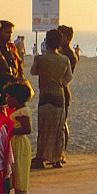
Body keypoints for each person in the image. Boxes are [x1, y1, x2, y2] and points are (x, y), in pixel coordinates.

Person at [31, 29, 74, 169]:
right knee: (58, 129)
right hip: (59, 96)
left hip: (45, 96)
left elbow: (33, 71)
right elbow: (68, 78)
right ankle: (57, 159)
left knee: (43, 129)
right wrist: (60, 83)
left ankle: (41, 157)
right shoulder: (64, 59)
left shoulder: (40, 58)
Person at [3, 82, 34, 194]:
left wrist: (11, 131)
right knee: (16, 171)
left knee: (20, 172)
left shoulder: (22, 112)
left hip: (20, 145)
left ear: (16, 98)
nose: (6, 99)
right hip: (15, 144)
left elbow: (27, 129)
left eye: (9, 96)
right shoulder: (16, 111)